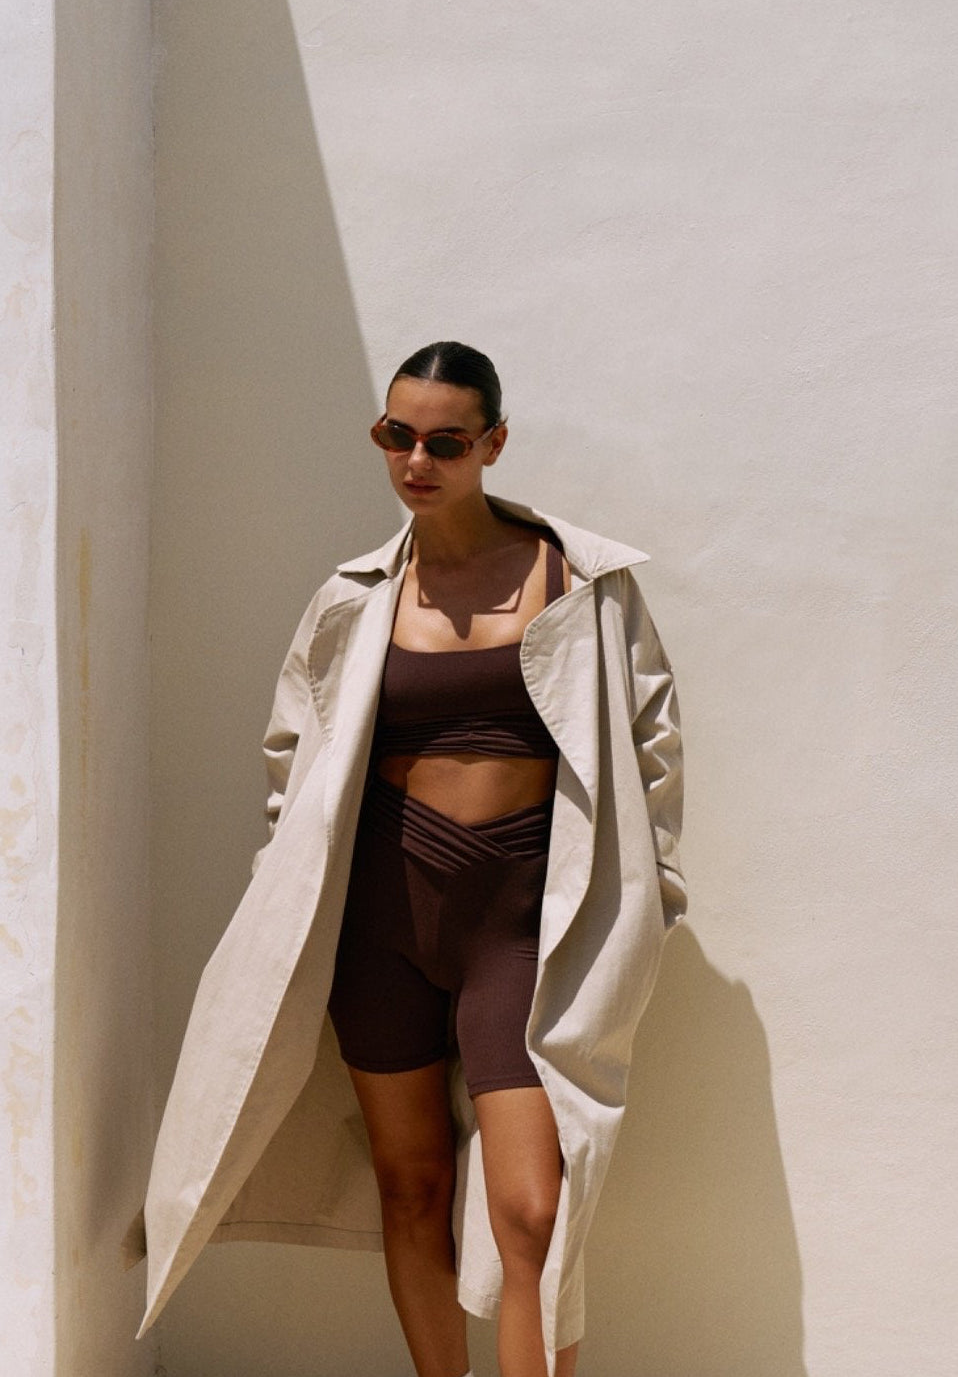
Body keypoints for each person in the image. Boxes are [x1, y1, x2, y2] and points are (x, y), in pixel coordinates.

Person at [128, 342, 686, 1377]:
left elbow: (650, 745)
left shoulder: (579, 583)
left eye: (444, 441)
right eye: (397, 435)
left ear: (492, 445)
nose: (416, 459)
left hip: (521, 922)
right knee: (413, 1187)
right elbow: (292, 758)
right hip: (381, 922)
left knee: (530, 1208)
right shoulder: (352, 599)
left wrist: (651, 894)